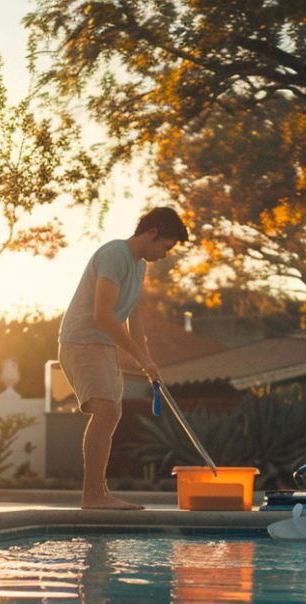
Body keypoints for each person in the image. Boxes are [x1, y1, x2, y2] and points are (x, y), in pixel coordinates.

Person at [58, 207, 189, 509]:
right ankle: (92, 496)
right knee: (105, 411)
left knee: (111, 412)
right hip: (83, 340)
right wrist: (141, 359)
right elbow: (103, 315)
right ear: (152, 233)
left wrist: (147, 359)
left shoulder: (138, 265)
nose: (165, 254)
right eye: (165, 247)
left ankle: (98, 493)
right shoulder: (114, 254)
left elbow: (134, 312)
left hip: (102, 345)